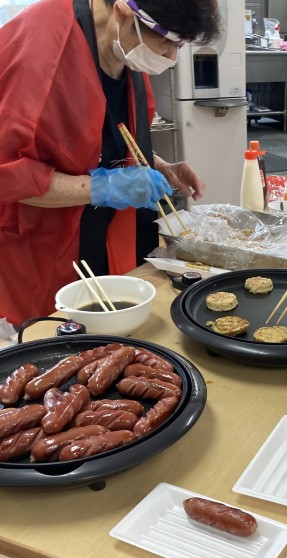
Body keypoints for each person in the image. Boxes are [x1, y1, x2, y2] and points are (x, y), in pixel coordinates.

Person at [0, 0, 220, 326]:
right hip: (44, 245)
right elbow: (9, 174)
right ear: (122, 12)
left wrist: (158, 165)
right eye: (168, 42)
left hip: (104, 235)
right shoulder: (41, 51)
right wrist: (103, 187)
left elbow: (103, 136)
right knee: (57, 338)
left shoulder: (123, 46)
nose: (171, 58)